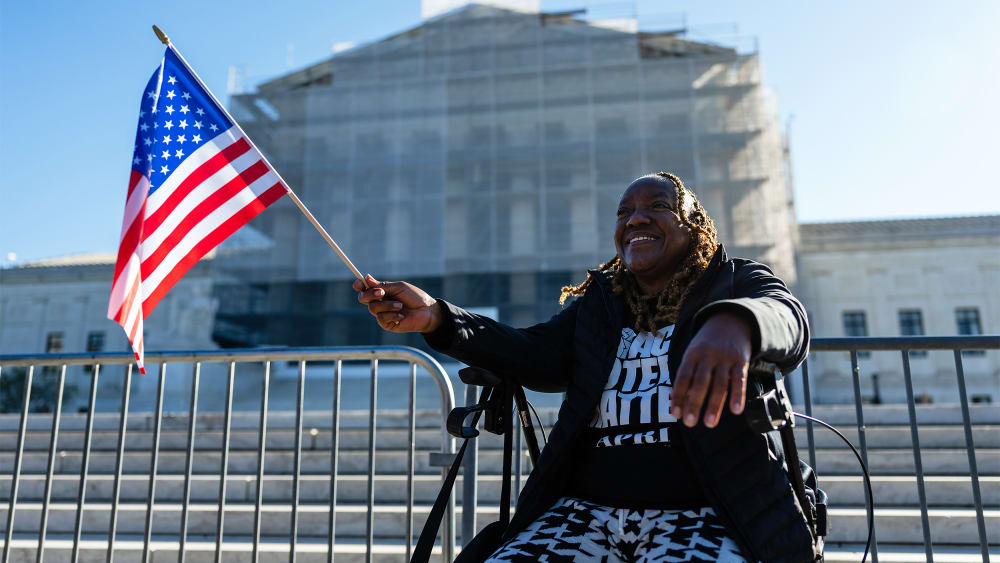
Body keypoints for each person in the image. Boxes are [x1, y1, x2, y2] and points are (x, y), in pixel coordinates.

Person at [355, 172, 817, 562]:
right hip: (584, 511)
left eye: (658, 205)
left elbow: (788, 316)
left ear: (694, 225)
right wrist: (438, 315)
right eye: (624, 211)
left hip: (705, 512)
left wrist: (735, 324)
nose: (636, 217)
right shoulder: (601, 303)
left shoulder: (734, 280)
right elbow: (534, 354)